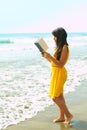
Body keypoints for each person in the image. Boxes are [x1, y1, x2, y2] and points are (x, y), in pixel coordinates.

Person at [41, 27, 73, 124]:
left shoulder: (64, 47)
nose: (53, 38)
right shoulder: (58, 48)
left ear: (59, 37)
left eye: (55, 36)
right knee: (59, 96)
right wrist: (46, 57)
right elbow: (54, 62)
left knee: (55, 97)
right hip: (55, 72)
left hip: (60, 73)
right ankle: (61, 116)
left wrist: (50, 56)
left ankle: (68, 115)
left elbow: (61, 64)